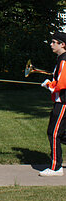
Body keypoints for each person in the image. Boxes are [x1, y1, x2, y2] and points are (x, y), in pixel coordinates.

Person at [39, 31, 66, 177]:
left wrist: (49, 85)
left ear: (62, 44)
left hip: (63, 102)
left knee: (54, 133)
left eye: (53, 42)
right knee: (59, 134)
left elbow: (62, 83)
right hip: (60, 101)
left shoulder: (64, 60)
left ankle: (56, 168)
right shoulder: (60, 59)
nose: (51, 44)